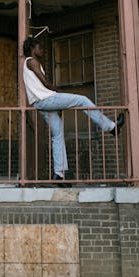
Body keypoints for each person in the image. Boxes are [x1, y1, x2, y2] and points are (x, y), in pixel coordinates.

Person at [22, 35, 125, 182]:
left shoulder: (26, 64)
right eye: (39, 47)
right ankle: (111, 127)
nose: (42, 50)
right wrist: (59, 92)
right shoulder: (32, 61)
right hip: (46, 99)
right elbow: (44, 82)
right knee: (82, 100)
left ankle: (59, 174)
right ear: (32, 48)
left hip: (39, 104)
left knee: (57, 134)